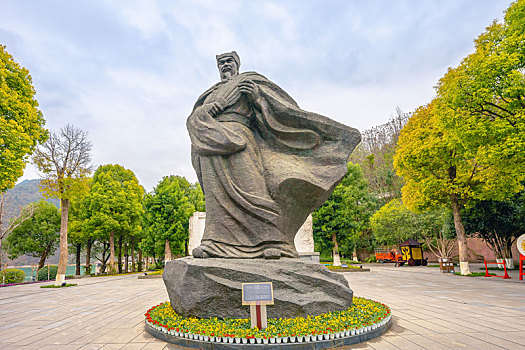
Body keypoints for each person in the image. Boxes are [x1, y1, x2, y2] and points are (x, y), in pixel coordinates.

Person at [187, 51, 360, 259]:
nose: (225, 65)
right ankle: (214, 244)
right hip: (211, 144)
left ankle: (271, 242)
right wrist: (205, 111)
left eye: (229, 61)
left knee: (253, 189)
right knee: (216, 198)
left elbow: (280, 109)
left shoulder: (251, 81)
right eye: (221, 62)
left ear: (237, 64)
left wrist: (256, 97)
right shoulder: (209, 94)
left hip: (241, 139)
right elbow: (194, 118)